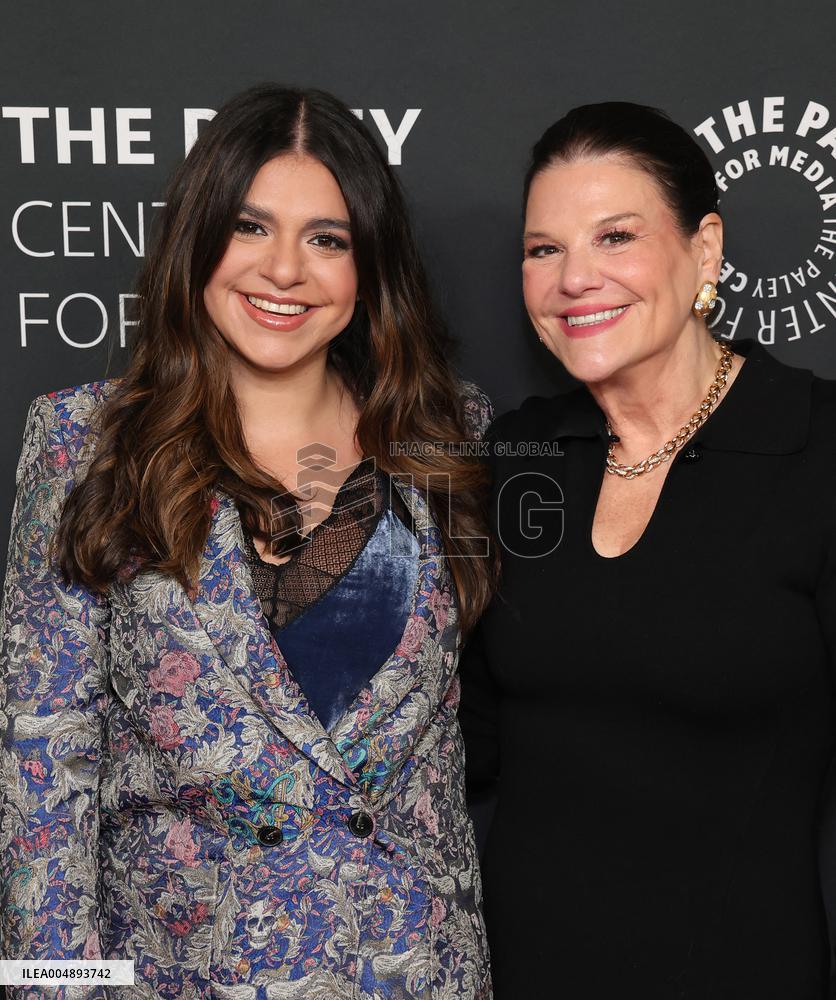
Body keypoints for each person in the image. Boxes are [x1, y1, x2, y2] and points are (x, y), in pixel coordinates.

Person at [0, 84, 497, 999]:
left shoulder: (448, 432)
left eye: (327, 239)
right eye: (250, 227)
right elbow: (42, 783)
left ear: (367, 267)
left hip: (412, 973)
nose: (285, 271)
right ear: (198, 240)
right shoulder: (85, 443)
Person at [459, 101, 836, 999]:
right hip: (521, 976)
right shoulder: (518, 458)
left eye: (615, 236)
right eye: (543, 250)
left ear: (705, 250)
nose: (573, 279)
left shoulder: (817, 448)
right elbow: (453, 742)